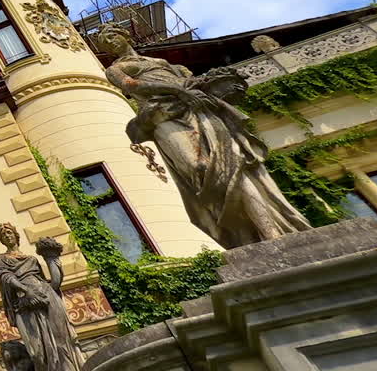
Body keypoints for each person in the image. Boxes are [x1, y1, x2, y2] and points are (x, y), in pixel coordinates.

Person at [94, 22, 310, 248]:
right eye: (105, 44)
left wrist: (201, 84)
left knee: (233, 162)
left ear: (124, 35)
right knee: (199, 167)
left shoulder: (161, 62)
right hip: (162, 116)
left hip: (195, 108)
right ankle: (236, 229)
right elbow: (131, 86)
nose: (110, 44)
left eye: (112, 37)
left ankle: (269, 232)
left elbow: (187, 80)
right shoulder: (115, 68)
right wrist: (177, 90)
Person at [0, 222, 83, 371]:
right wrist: (27, 291)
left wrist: (53, 261)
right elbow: (5, 277)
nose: (7, 236)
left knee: (62, 341)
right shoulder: (1, 259)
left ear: (16, 235)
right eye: (3, 235)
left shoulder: (32, 259)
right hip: (24, 302)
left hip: (46, 297)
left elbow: (51, 283)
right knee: (37, 353)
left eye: (9, 233)